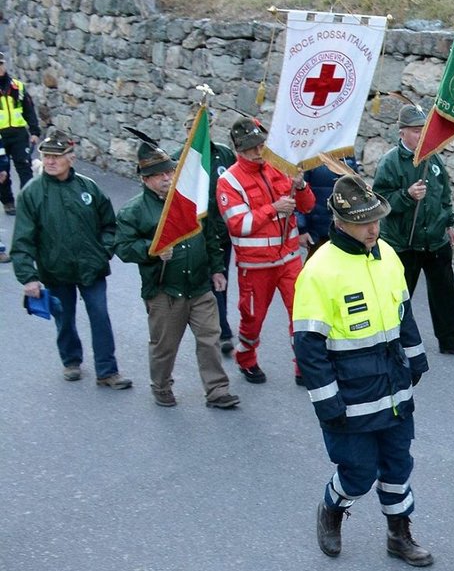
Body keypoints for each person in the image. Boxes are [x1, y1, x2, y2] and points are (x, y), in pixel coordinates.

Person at [293, 174, 433, 567]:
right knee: (357, 473)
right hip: (349, 395)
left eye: (376, 219)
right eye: (363, 221)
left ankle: (398, 534)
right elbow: (308, 346)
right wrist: (326, 402)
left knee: (398, 465)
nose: (373, 228)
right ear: (339, 222)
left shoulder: (387, 253)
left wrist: (416, 357)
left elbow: (403, 312)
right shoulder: (319, 271)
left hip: (393, 385)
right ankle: (332, 508)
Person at [111, 133, 239, 410]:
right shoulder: (133, 211)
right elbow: (123, 248)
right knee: (164, 346)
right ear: (145, 180)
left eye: (170, 171)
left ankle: (217, 390)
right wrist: (151, 249)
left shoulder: (190, 200)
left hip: (199, 286)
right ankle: (161, 387)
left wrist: (217, 270)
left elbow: (210, 237)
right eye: (159, 175)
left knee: (210, 339)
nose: (167, 178)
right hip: (164, 291)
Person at [11, 129, 131, 389]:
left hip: (92, 267)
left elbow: (110, 225)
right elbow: (22, 241)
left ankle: (107, 371)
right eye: (46, 156)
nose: (51, 161)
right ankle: (71, 360)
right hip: (55, 270)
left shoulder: (89, 187)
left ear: (72, 158)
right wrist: (28, 277)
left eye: (57, 156)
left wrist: (104, 251)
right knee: (63, 317)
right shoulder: (31, 194)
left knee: (100, 315)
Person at [215, 116, 314, 385]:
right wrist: (274, 209)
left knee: (302, 314)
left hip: (290, 259)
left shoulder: (279, 168)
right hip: (256, 266)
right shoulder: (229, 181)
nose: (258, 151)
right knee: (253, 319)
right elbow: (238, 224)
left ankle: (303, 366)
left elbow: (307, 205)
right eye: (251, 148)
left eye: (260, 145)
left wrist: (302, 185)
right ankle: (246, 359)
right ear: (239, 150)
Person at [373, 104, 454, 356]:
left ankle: (450, 339)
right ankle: (393, 339)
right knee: (400, 294)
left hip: (435, 239)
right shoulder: (390, 162)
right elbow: (381, 201)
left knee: (446, 291)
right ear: (402, 132)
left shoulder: (433, 157)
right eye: (416, 131)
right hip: (404, 241)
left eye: (423, 130)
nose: (421, 135)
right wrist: (406, 195)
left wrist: (448, 222)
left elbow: (444, 194)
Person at [204, 134, 237, 354]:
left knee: (221, 279)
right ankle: (217, 330)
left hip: (223, 231)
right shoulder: (182, 158)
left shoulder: (224, 153)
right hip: (200, 232)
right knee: (207, 280)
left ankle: (221, 326)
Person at [0, 50, 42, 216]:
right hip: (0, 137)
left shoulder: (17, 86)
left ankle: (27, 203)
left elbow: (29, 110)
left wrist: (34, 131)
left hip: (18, 134)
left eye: (0, 64)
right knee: (2, 172)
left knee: (25, 168)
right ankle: (8, 201)